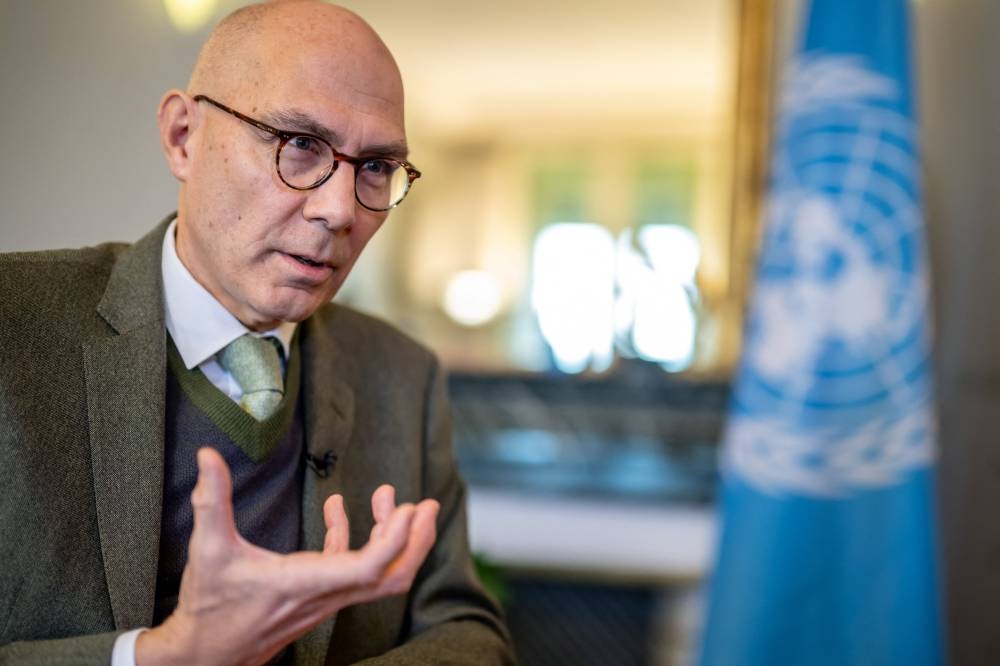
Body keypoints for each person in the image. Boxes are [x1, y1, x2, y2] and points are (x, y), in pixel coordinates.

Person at [0, 1, 514, 664]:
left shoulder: (401, 374)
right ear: (183, 136)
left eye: (376, 167)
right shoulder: (13, 327)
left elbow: (470, 634)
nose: (336, 210)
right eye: (298, 145)